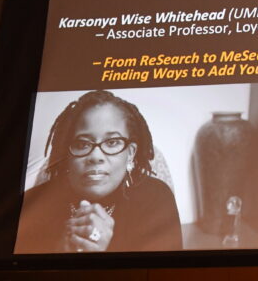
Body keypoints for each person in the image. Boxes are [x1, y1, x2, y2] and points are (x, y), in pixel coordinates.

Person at [15, 90, 182, 253]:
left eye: (112, 142)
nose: (95, 156)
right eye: (82, 144)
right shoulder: (32, 205)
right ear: (68, 154)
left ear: (130, 153)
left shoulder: (157, 198)